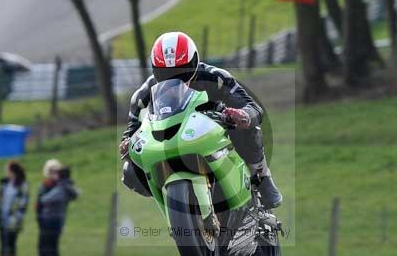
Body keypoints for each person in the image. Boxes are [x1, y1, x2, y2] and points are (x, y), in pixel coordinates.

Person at [119, 31, 282, 209]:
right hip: (170, 141)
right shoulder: (143, 94)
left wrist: (242, 116)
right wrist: (126, 144)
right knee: (130, 171)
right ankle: (171, 201)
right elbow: (131, 130)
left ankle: (262, 176)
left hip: (213, 134)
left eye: (182, 71)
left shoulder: (216, 78)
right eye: (165, 73)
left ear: (195, 62)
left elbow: (253, 108)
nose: (174, 78)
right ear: (155, 70)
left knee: (246, 126)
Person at [36, 159, 78, 256]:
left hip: (53, 221)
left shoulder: (61, 187)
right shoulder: (48, 185)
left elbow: (44, 199)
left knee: (49, 248)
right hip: (46, 220)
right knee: (44, 247)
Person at [0, 160, 29, 256]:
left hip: (13, 222)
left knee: (11, 244)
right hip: (2, 220)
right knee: (3, 245)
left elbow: (22, 204)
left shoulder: (22, 185)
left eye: (8, 170)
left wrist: (15, 217)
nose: (6, 173)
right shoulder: (4, 184)